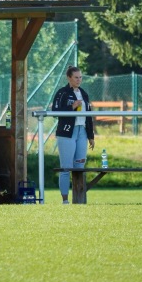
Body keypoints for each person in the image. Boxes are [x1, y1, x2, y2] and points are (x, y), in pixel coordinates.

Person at [52, 65, 95, 204]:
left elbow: (88, 116)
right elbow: (55, 111)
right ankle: (65, 200)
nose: (79, 80)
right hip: (66, 133)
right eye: (76, 77)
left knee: (80, 166)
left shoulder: (84, 93)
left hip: (81, 131)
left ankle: (79, 199)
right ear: (69, 78)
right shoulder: (62, 92)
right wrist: (72, 106)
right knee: (66, 167)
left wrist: (91, 136)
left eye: (80, 77)